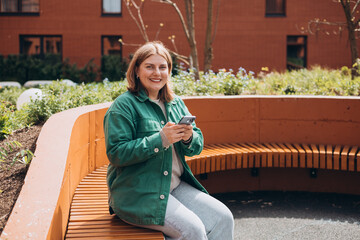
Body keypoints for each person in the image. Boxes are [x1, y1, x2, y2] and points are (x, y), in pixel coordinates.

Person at [103, 41, 234, 240]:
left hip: (173, 186)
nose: (157, 73)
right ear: (137, 71)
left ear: (169, 71)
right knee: (193, 230)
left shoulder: (175, 103)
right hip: (138, 193)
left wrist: (189, 137)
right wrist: (160, 140)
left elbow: (196, 146)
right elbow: (117, 153)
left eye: (162, 67)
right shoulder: (124, 106)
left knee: (224, 218)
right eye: (149, 66)